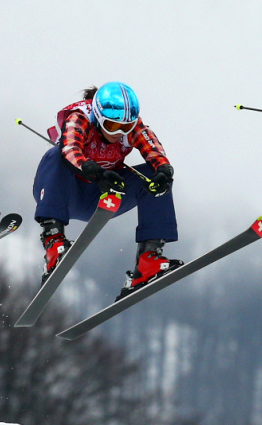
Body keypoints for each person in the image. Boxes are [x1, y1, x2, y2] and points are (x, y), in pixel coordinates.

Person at [33, 82, 179, 300]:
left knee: (153, 175)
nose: (119, 132)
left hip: (103, 195)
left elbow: (152, 147)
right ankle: (54, 243)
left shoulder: (133, 126)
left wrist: (164, 170)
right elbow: (70, 148)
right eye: (111, 126)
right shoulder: (80, 118)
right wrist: (95, 172)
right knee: (55, 155)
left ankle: (148, 261)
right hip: (66, 193)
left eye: (125, 127)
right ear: (98, 117)